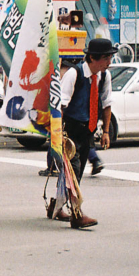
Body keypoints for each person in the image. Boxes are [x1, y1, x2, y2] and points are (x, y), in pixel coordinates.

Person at [59, 39, 114, 229]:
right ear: (92, 57)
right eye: (106, 58)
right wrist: (58, 134)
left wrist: (105, 131)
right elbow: (61, 105)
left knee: (77, 172)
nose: (109, 62)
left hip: (88, 131)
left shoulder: (104, 76)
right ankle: (76, 214)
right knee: (73, 171)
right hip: (71, 130)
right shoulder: (74, 74)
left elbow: (106, 104)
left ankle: (56, 206)